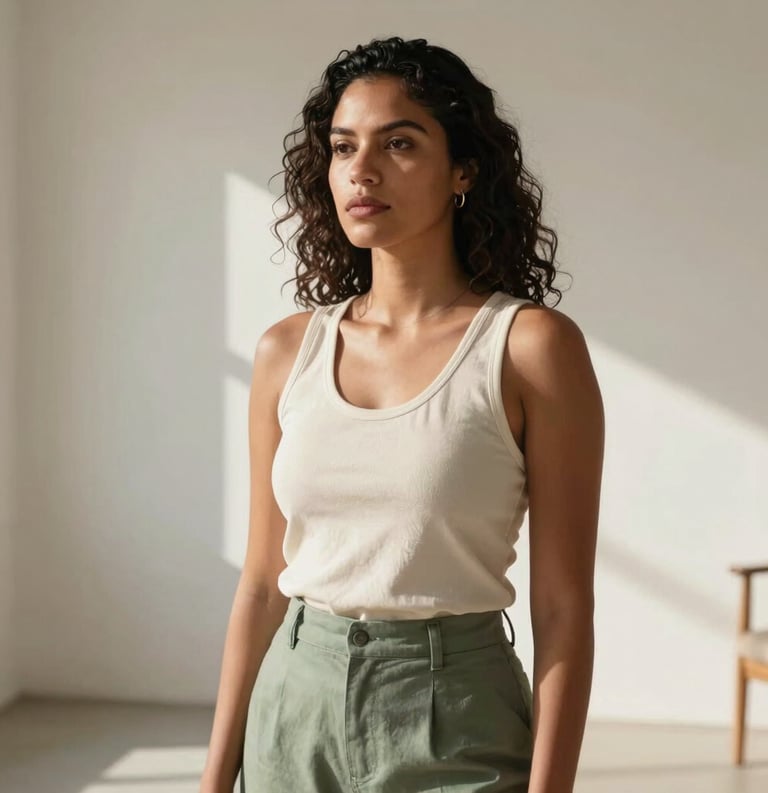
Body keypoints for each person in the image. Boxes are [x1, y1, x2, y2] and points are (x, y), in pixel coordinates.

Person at [200, 36, 604, 793]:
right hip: (293, 707)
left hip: (456, 710)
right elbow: (260, 584)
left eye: (400, 143)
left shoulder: (529, 349)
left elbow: (564, 604)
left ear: (464, 171)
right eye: (343, 146)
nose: (363, 168)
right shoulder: (286, 352)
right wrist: (214, 779)